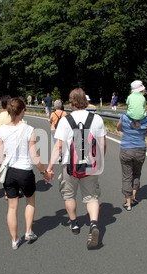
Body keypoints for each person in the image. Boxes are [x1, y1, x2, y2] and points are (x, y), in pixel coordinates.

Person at [47, 88, 107, 250]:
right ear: (86, 101)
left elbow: (59, 147)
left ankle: (74, 223)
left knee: (69, 194)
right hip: (91, 165)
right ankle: (93, 224)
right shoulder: (97, 119)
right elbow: (102, 144)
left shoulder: (65, 121)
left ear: (71, 102)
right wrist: (99, 161)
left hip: (69, 165)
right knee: (92, 196)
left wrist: (50, 167)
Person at [0, 98, 52, 250]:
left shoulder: (1, 130)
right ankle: (28, 231)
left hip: (9, 172)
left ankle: (14, 240)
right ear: (21, 111)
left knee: (12, 207)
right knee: (30, 202)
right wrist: (44, 172)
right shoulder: (28, 130)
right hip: (25, 171)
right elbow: (34, 156)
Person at [117, 108, 147, 211]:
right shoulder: (146, 118)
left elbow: (118, 128)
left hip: (126, 149)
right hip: (140, 149)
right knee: (137, 173)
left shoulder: (124, 116)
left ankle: (128, 202)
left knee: (126, 175)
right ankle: (134, 195)